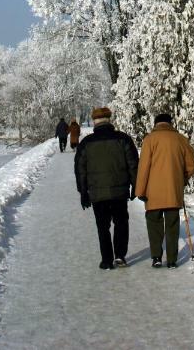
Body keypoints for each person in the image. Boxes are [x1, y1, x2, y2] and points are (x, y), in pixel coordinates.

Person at [75, 106, 139, 270]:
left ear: (95, 122)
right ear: (109, 120)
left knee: (102, 227)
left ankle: (106, 260)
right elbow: (133, 164)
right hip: (119, 191)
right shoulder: (123, 139)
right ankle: (120, 255)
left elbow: (80, 169)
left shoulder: (86, 143)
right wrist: (135, 185)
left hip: (97, 192)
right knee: (121, 223)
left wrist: (83, 192)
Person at [135, 112, 194, 269]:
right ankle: (171, 260)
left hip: (152, 192)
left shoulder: (150, 139)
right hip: (173, 191)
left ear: (156, 124)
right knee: (172, 225)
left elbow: (143, 168)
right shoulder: (181, 140)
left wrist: (140, 190)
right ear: (170, 123)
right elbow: (191, 164)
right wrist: (182, 179)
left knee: (154, 224)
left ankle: (156, 256)